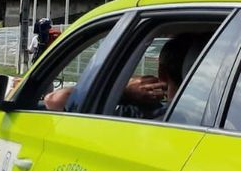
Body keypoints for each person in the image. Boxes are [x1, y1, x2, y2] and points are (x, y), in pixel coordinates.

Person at [43, 32, 208, 116]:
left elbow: (54, 100)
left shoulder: (143, 112)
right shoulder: (223, 117)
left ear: (161, 74)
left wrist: (124, 90)